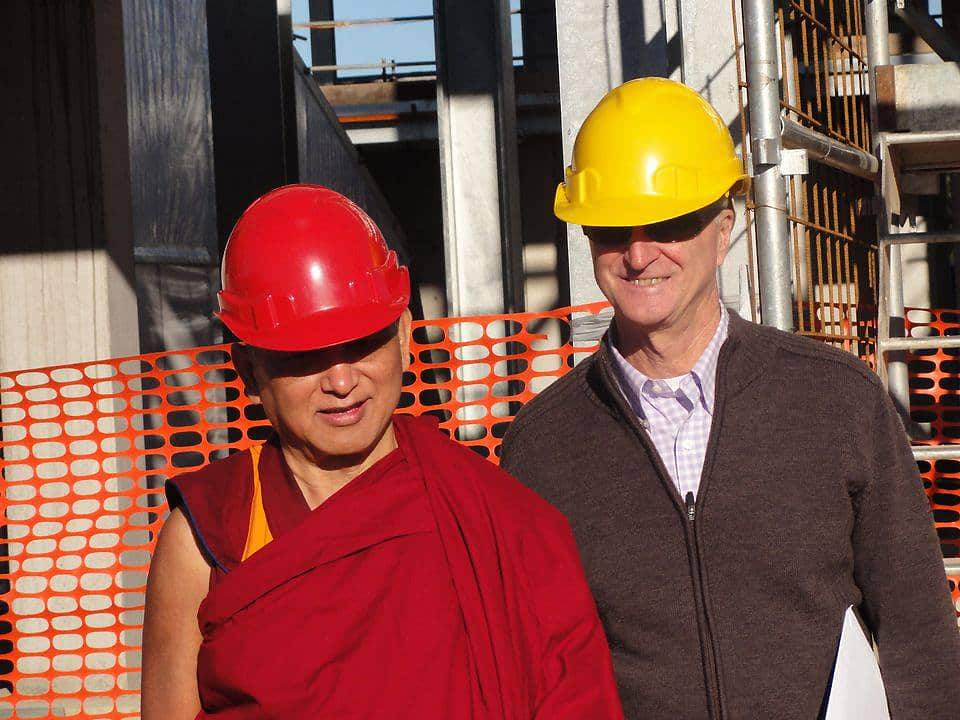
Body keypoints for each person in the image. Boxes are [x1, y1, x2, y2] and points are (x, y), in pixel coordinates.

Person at [500, 78, 960, 719]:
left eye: (668, 222)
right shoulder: (541, 450)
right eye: (611, 228)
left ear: (724, 229)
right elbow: (531, 672)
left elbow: (918, 634)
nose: (638, 253)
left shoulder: (836, 402)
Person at [141, 185, 624, 720]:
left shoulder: (498, 522)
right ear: (249, 368)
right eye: (307, 356)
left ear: (402, 335)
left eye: (363, 342)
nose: (343, 380)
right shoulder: (212, 533)